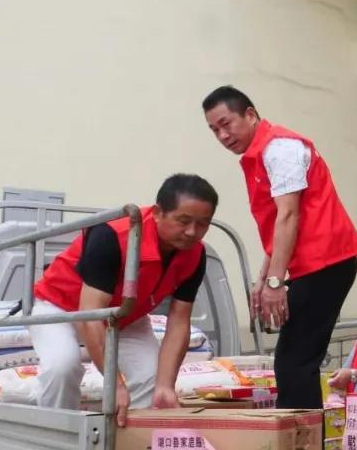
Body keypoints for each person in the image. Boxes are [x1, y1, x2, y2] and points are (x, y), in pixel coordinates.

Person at [203, 86, 357, 450]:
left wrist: (276, 282)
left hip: (327, 261)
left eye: (227, 124)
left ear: (251, 114)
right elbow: (279, 228)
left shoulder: (281, 148)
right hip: (313, 264)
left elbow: (290, 215)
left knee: (295, 364)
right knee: (294, 363)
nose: (223, 136)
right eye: (214, 131)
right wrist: (264, 278)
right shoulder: (259, 156)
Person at [30, 174, 218, 426]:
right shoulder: (112, 236)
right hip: (62, 307)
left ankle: (127, 446)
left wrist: (164, 385)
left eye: (203, 224)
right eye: (183, 221)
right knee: (62, 367)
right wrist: (115, 384)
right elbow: (90, 316)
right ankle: (56, 437)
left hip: (125, 315)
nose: (192, 232)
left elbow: (179, 322)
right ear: (159, 212)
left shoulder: (195, 254)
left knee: (153, 376)